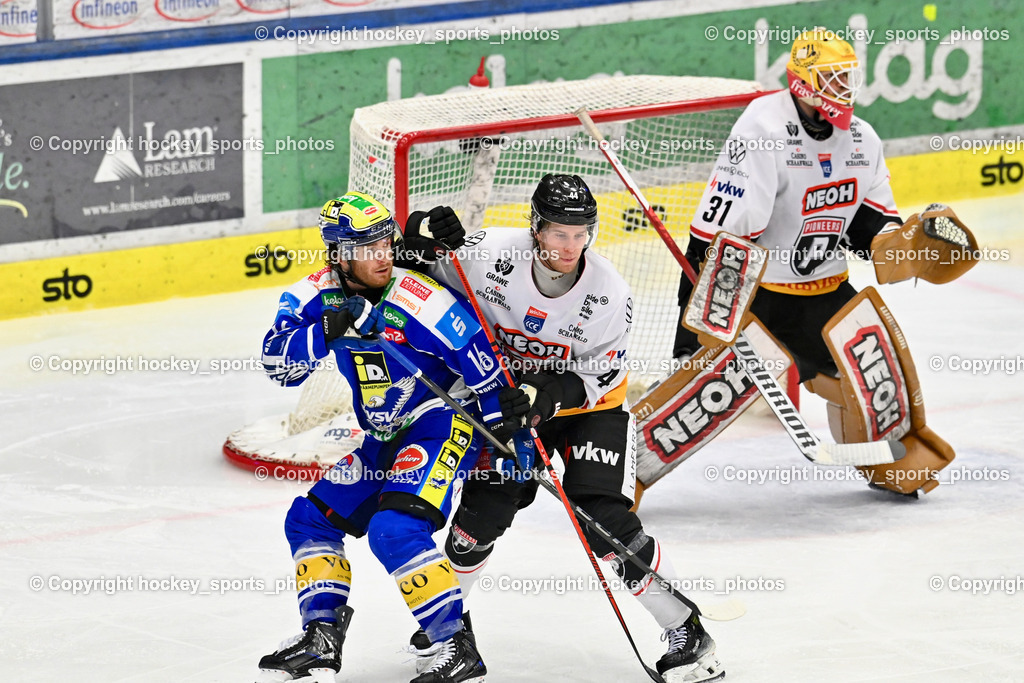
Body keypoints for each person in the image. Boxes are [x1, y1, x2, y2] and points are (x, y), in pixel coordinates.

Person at [405, 174, 724, 682]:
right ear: (535, 229)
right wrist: (420, 231)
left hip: (585, 410)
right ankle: (445, 630)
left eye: (579, 234)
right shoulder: (487, 254)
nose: (569, 246)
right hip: (508, 406)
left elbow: (602, 374)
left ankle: (687, 630)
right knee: (479, 518)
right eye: (558, 233)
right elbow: (412, 270)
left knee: (604, 522)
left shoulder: (609, 294)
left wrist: (544, 399)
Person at [672, 28, 970, 496]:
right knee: (696, 400)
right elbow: (722, 233)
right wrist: (694, 322)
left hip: (823, 292)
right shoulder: (764, 129)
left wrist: (907, 248)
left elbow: (869, 225)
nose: (844, 89)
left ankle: (886, 461)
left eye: (848, 77)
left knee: (875, 373)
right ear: (803, 82)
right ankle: (621, 472)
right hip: (757, 296)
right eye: (832, 78)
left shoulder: (861, 140)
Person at [256, 192, 525, 683]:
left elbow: (487, 369)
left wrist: (511, 443)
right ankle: (321, 636)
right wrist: (326, 332)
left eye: (387, 242)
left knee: (393, 530)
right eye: (367, 247)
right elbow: (278, 366)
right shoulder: (312, 297)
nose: (383, 254)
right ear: (339, 255)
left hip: (441, 422)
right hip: (383, 436)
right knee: (309, 520)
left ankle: (454, 644)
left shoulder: (422, 298)